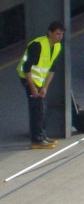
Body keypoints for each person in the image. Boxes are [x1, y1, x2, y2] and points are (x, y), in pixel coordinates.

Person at [18, 21, 65, 150]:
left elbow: (52, 69)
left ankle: (42, 136)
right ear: (49, 33)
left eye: (61, 34)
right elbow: (26, 68)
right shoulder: (38, 45)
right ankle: (37, 140)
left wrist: (45, 87)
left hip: (39, 82)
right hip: (28, 79)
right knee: (37, 109)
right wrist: (33, 88)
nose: (59, 37)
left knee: (41, 109)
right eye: (57, 34)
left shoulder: (57, 47)